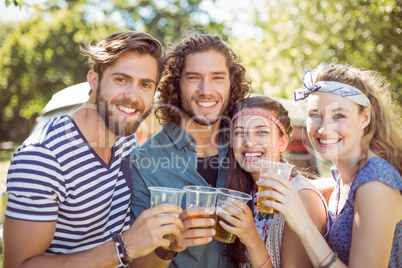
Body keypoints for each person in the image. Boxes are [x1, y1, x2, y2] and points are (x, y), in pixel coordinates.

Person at [3, 31, 183, 268]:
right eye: (121, 79)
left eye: (145, 85)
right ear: (94, 79)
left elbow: (129, 257)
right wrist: (123, 247)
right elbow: (19, 265)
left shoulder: (125, 142)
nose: (133, 96)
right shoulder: (42, 157)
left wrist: (166, 247)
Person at [260, 63, 402, 267]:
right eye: (315, 115)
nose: (324, 129)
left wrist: (303, 224)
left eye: (339, 116)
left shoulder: (376, 183)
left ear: (365, 118)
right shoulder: (343, 176)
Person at [130, 33, 252, 267]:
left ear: (231, 83)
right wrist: (171, 247)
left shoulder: (246, 150)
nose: (206, 90)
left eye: (217, 77)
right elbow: (134, 262)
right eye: (194, 77)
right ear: (176, 84)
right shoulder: (143, 163)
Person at [219, 96, 327, 268]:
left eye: (261, 132)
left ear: (282, 142)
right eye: (239, 133)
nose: (249, 142)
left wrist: (252, 238)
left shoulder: (303, 199)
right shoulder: (246, 191)